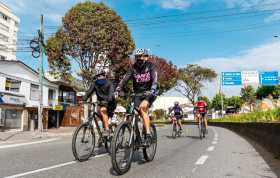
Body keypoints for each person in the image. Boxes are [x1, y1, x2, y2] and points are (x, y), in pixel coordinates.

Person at [115, 48, 158, 145]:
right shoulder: (132, 68)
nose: (139, 59)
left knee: (143, 108)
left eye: (141, 56)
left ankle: (147, 134)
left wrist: (152, 90)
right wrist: (118, 89)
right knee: (132, 112)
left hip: (150, 93)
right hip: (137, 93)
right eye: (137, 57)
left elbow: (155, 79)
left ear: (146, 57)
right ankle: (137, 137)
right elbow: (125, 79)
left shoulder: (151, 66)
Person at [83, 70, 116, 137]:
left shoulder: (109, 83)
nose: (99, 77)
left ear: (104, 76)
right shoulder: (95, 84)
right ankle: (103, 131)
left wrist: (107, 101)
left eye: (100, 75)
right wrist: (84, 99)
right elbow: (89, 92)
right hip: (101, 103)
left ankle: (107, 130)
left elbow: (111, 94)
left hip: (110, 103)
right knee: (98, 112)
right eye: (97, 76)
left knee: (103, 110)